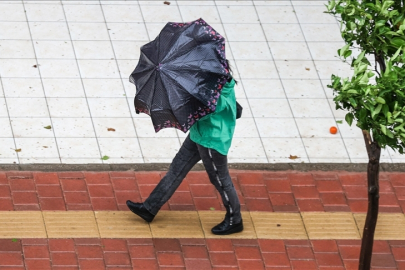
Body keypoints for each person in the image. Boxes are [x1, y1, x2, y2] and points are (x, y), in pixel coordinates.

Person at [127, 63, 242, 236]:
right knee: (177, 168)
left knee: (220, 179)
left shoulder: (213, 93)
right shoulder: (221, 81)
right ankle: (149, 208)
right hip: (199, 134)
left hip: (211, 141)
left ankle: (235, 220)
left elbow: (197, 110)